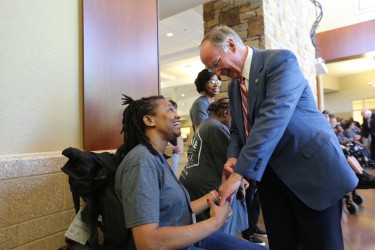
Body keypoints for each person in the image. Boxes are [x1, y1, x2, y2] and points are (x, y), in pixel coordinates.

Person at [199, 25, 358, 250]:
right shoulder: (235, 86)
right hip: (272, 180)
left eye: (215, 64)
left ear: (232, 46)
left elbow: (271, 120)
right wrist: (233, 157)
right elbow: (237, 129)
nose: (216, 73)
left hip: (311, 173)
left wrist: (239, 174)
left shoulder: (280, 61)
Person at [114, 94, 267, 250]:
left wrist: (219, 192)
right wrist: (214, 222)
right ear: (149, 120)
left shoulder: (156, 158)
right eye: (170, 110)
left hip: (186, 240)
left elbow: (179, 210)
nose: (178, 115)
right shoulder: (141, 162)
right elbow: (148, 243)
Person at [179, 98, 249, 236]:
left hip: (194, 181)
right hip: (206, 186)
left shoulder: (206, 124)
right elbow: (229, 166)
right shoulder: (217, 128)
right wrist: (239, 181)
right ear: (227, 113)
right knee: (217, 234)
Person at [166, 100, 183, 175]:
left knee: (173, 174)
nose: (178, 115)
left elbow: (178, 137)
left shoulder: (176, 125)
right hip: (167, 153)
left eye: (175, 111)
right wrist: (172, 147)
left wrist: (177, 148)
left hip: (174, 153)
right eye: (171, 110)